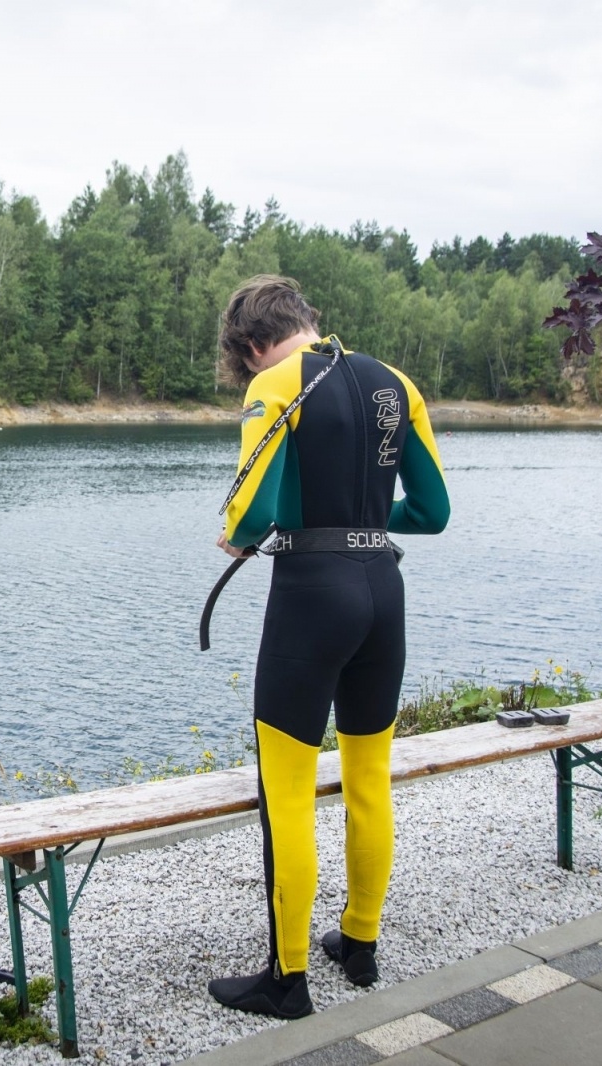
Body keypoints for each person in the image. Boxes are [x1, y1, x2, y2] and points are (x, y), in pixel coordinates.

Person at [207, 274, 450, 1019]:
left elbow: (254, 507)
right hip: (383, 588)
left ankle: (286, 981)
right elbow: (434, 510)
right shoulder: (396, 383)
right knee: (369, 777)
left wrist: (238, 535)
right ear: (306, 319)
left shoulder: (275, 385)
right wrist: (366, 520)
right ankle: (360, 945)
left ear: (252, 345)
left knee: (288, 796)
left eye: (244, 363)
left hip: (313, 595)